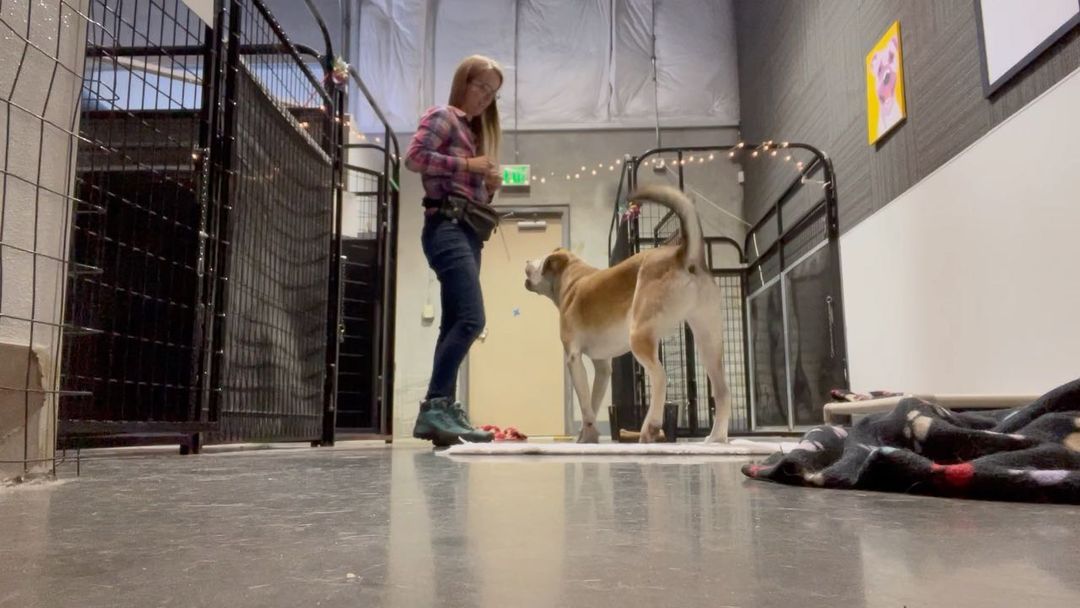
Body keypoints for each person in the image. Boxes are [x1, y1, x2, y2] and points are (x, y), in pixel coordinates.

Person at [404, 55, 504, 446]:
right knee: (471, 320)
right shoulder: (443, 115)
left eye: (493, 93)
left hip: (465, 229)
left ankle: (442, 409)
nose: (485, 98)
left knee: (453, 323)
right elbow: (414, 158)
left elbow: (465, 184)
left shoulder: (474, 133)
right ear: (464, 80)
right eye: (481, 86)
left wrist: (489, 182)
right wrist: (471, 165)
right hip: (446, 227)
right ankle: (434, 406)